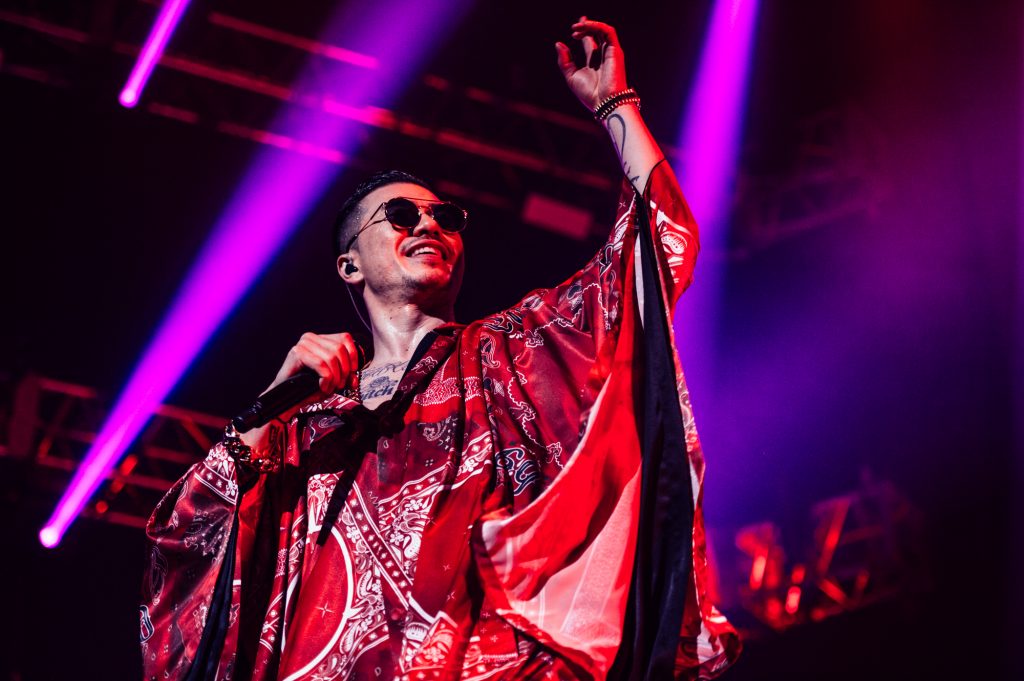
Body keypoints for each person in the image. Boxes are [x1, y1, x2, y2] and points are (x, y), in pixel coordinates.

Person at [141, 16, 740, 680]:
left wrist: (615, 106)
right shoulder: (307, 430)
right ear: (349, 266)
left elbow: (655, 250)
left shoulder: (516, 350)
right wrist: (267, 408)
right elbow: (185, 540)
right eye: (401, 216)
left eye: (445, 216)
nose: (428, 221)